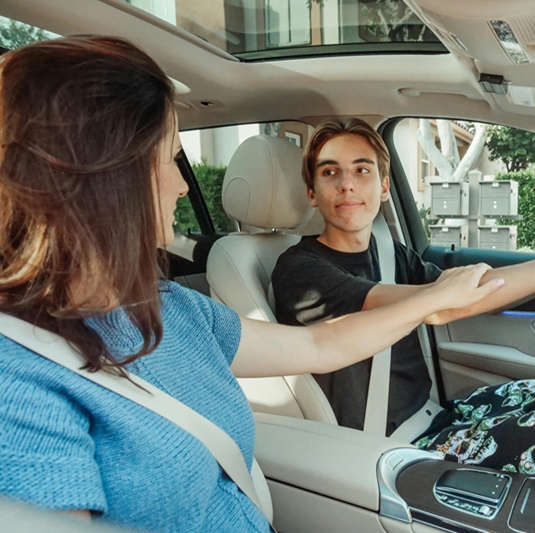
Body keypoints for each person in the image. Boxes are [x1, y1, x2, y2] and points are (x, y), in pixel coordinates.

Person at [0, 37, 504, 532]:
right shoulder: (19, 379)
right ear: (110, 175)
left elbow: (319, 342)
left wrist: (434, 297)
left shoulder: (171, 308)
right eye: (169, 159)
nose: (181, 183)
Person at [272, 118, 535, 476]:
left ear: (384, 185)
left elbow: (478, 292)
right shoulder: (300, 270)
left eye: (362, 169)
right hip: (393, 446)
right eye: (329, 172)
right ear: (311, 191)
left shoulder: (390, 252)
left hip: (438, 415)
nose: (347, 184)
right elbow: (440, 306)